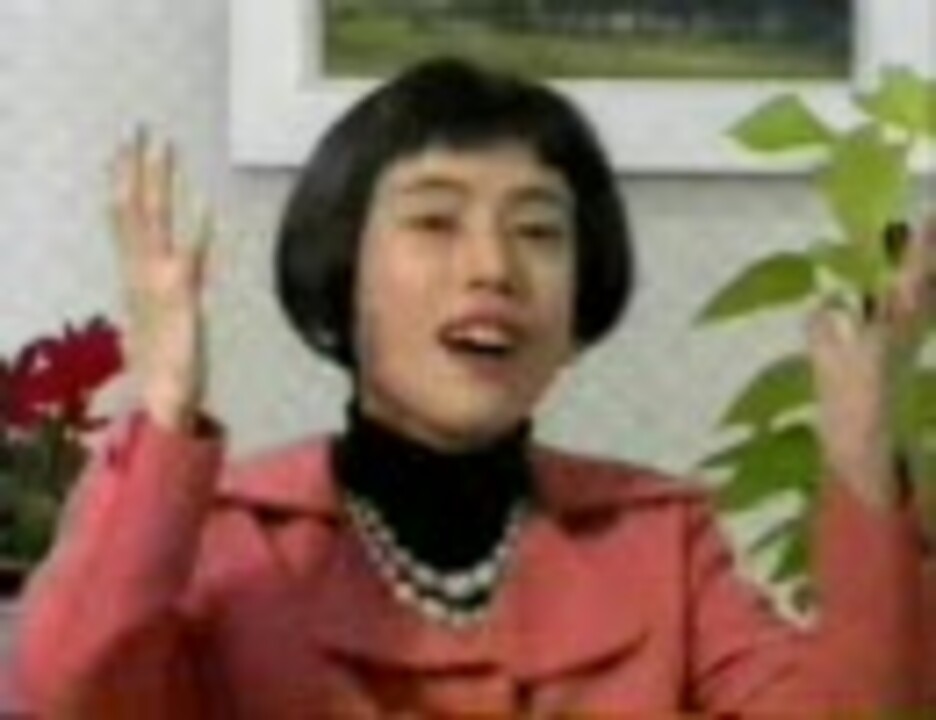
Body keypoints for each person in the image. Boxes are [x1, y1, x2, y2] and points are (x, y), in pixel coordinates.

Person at [5, 57, 936, 717]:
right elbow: (68, 698)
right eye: (435, 221)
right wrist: (165, 411)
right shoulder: (223, 545)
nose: (493, 266)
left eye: (539, 231)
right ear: (343, 274)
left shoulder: (666, 544)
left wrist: (862, 446)